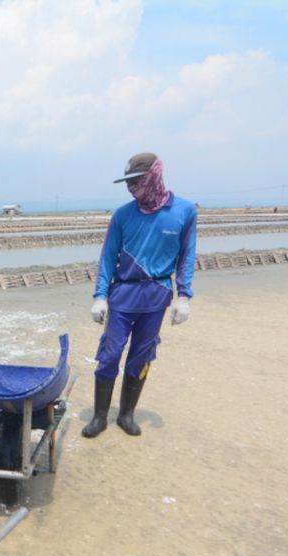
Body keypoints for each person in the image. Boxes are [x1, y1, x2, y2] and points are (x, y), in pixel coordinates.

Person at [83, 152, 196, 438]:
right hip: (123, 295)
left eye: (136, 180)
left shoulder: (184, 211)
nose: (131, 187)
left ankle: (126, 414)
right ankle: (99, 417)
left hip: (157, 295)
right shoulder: (123, 214)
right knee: (109, 355)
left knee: (142, 356)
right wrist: (100, 296)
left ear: (153, 176)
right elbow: (108, 256)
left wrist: (184, 296)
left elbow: (187, 255)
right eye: (128, 181)